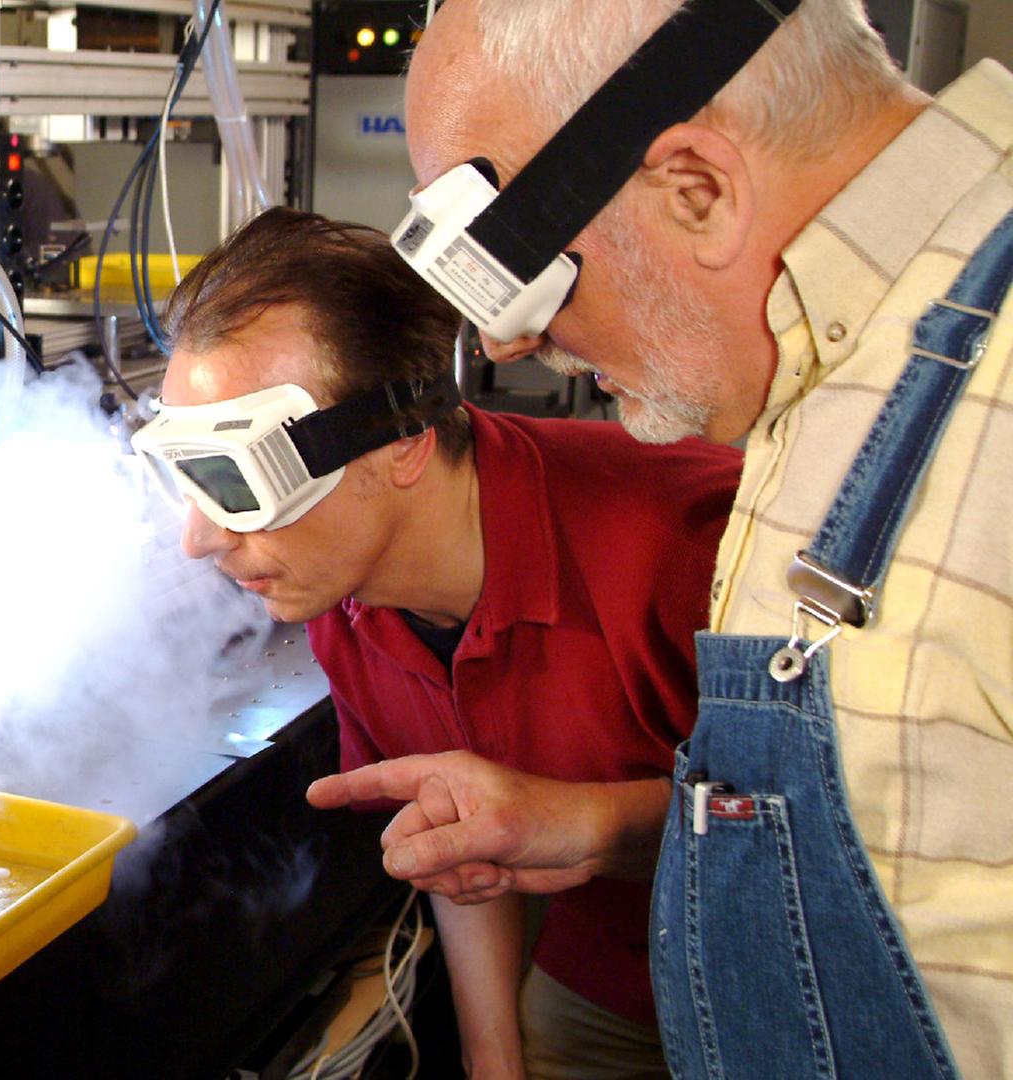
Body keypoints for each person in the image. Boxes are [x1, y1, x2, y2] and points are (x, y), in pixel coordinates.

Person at [308, 1, 1013, 1075]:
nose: (513, 340)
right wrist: (586, 826)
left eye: (530, 276)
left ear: (698, 191)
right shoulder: (827, 375)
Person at [139, 206, 741, 1078]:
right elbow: (463, 840)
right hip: (608, 971)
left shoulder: (692, 545)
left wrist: (590, 822)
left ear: (404, 446)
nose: (200, 539)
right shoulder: (342, 595)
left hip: (804, 978)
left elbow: (856, 832)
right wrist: (494, 1056)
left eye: (237, 476)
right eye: (184, 475)